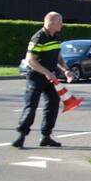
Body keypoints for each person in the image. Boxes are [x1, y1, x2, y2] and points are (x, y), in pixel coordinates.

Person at [13, 11, 72, 149]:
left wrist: (66, 69)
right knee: (31, 106)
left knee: (52, 104)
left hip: (50, 78)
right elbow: (30, 61)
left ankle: (46, 137)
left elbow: (58, 56)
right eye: (60, 22)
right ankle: (21, 136)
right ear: (51, 22)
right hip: (35, 77)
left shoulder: (56, 36)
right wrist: (47, 73)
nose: (62, 24)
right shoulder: (38, 38)